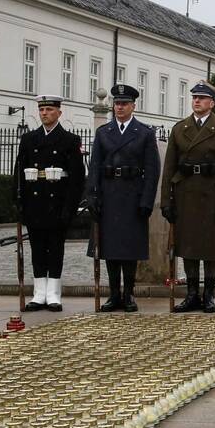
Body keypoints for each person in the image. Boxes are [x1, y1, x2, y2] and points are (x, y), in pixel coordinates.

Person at [160, 80, 215, 313]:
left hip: (211, 195)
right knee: (188, 246)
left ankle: (208, 295)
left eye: (202, 98)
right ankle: (191, 294)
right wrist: (167, 201)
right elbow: (168, 169)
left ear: (212, 103)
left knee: (211, 247)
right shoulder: (180, 128)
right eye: (194, 97)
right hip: (185, 193)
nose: (196, 101)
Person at [86, 84, 161, 313]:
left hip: (132, 194)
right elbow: (95, 166)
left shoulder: (144, 133)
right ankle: (114, 294)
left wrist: (147, 200)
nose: (119, 107)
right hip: (109, 194)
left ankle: (128, 294)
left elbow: (152, 169)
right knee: (110, 248)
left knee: (129, 249)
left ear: (133, 106)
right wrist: (92, 195)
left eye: (124, 104)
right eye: (117, 104)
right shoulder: (104, 132)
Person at [14, 94, 85, 312]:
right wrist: (18, 201)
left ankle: (53, 293)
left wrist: (70, 208)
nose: (45, 113)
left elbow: (76, 178)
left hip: (57, 204)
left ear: (59, 113)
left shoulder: (69, 140)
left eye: (50, 110)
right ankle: (38, 293)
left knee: (55, 249)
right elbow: (18, 172)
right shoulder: (29, 139)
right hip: (35, 203)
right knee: (36, 249)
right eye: (42, 110)